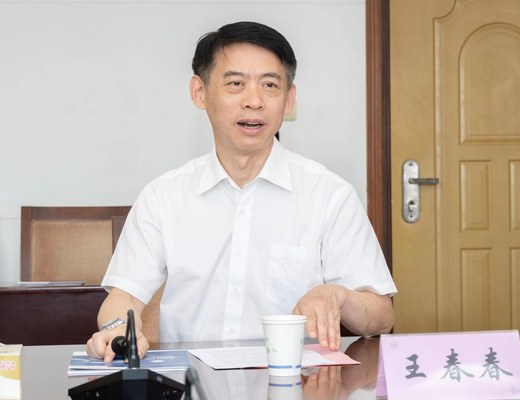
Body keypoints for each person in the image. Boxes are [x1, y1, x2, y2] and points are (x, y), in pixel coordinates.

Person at [86, 21, 397, 363]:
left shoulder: (330, 194)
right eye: (236, 84)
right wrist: (117, 329)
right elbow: (124, 297)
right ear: (199, 92)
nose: (254, 101)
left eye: (270, 85)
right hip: (191, 380)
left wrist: (339, 296)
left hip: (297, 380)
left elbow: (382, 315)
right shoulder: (163, 197)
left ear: (289, 99)